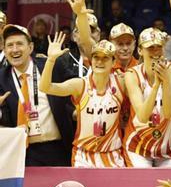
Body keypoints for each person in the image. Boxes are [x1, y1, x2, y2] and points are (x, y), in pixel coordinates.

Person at [39, 38, 125, 167]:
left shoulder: (121, 83)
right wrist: (51, 60)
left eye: (105, 58)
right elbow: (45, 87)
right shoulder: (80, 84)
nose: (100, 61)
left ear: (113, 62)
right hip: (84, 156)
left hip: (112, 154)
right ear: (91, 60)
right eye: (96, 57)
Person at [0, 25, 74, 166]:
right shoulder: (1, 79)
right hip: (23, 153)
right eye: (10, 45)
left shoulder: (52, 66)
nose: (14, 49)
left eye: (19, 44)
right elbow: (5, 120)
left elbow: (78, 86)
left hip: (58, 148)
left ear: (31, 47)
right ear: (4, 50)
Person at [123, 28, 171, 168]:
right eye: (150, 47)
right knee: (143, 185)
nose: (155, 51)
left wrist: (165, 81)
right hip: (137, 146)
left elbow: (167, 113)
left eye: (158, 47)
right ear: (140, 51)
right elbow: (142, 117)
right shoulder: (132, 74)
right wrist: (156, 86)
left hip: (166, 148)